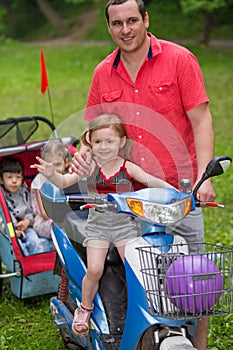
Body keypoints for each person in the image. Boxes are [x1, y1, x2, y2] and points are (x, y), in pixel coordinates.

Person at [70, 1, 215, 348]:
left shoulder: (180, 59)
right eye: (117, 23)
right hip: (128, 197)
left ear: (146, 20)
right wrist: (79, 159)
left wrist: (205, 177)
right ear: (109, 27)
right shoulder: (103, 72)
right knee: (143, 276)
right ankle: (146, 335)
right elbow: (94, 130)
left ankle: (200, 342)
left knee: (197, 276)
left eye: (132, 20)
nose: (126, 29)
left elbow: (202, 120)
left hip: (179, 191)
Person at [31, 113, 174, 337]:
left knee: (136, 268)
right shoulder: (89, 166)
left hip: (124, 226)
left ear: (122, 142)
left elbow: (151, 181)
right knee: (95, 269)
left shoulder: (128, 167)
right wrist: (52, 176)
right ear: (90, 142)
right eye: (98, 142)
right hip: (97, 226)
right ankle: (84, 308)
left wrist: (174, 193)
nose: (104, 147)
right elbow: (65, 182)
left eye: (110, 141)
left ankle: (144, 309)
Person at [0, 157, 50, 255]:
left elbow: (30, 211)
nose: (14, 181)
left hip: (26, 228)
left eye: (18, 177)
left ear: (22, 178)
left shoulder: (24, 193)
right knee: (19, 249)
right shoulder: (1, 197)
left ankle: (40, 264)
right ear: (1, 180)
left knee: (36, 243)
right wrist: (13, 232)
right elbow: (2, 221)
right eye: (9, 177)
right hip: (9, 231)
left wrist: (27, 221)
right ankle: (26, 267)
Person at [31, 139, 69, 241]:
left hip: (66, 217)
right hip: (45, 221)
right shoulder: (39, 181)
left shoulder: (67, 178)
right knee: (64, 227)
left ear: (66, 163)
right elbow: (45, 214)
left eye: (57, 164)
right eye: (48, 165)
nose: (53, 169)